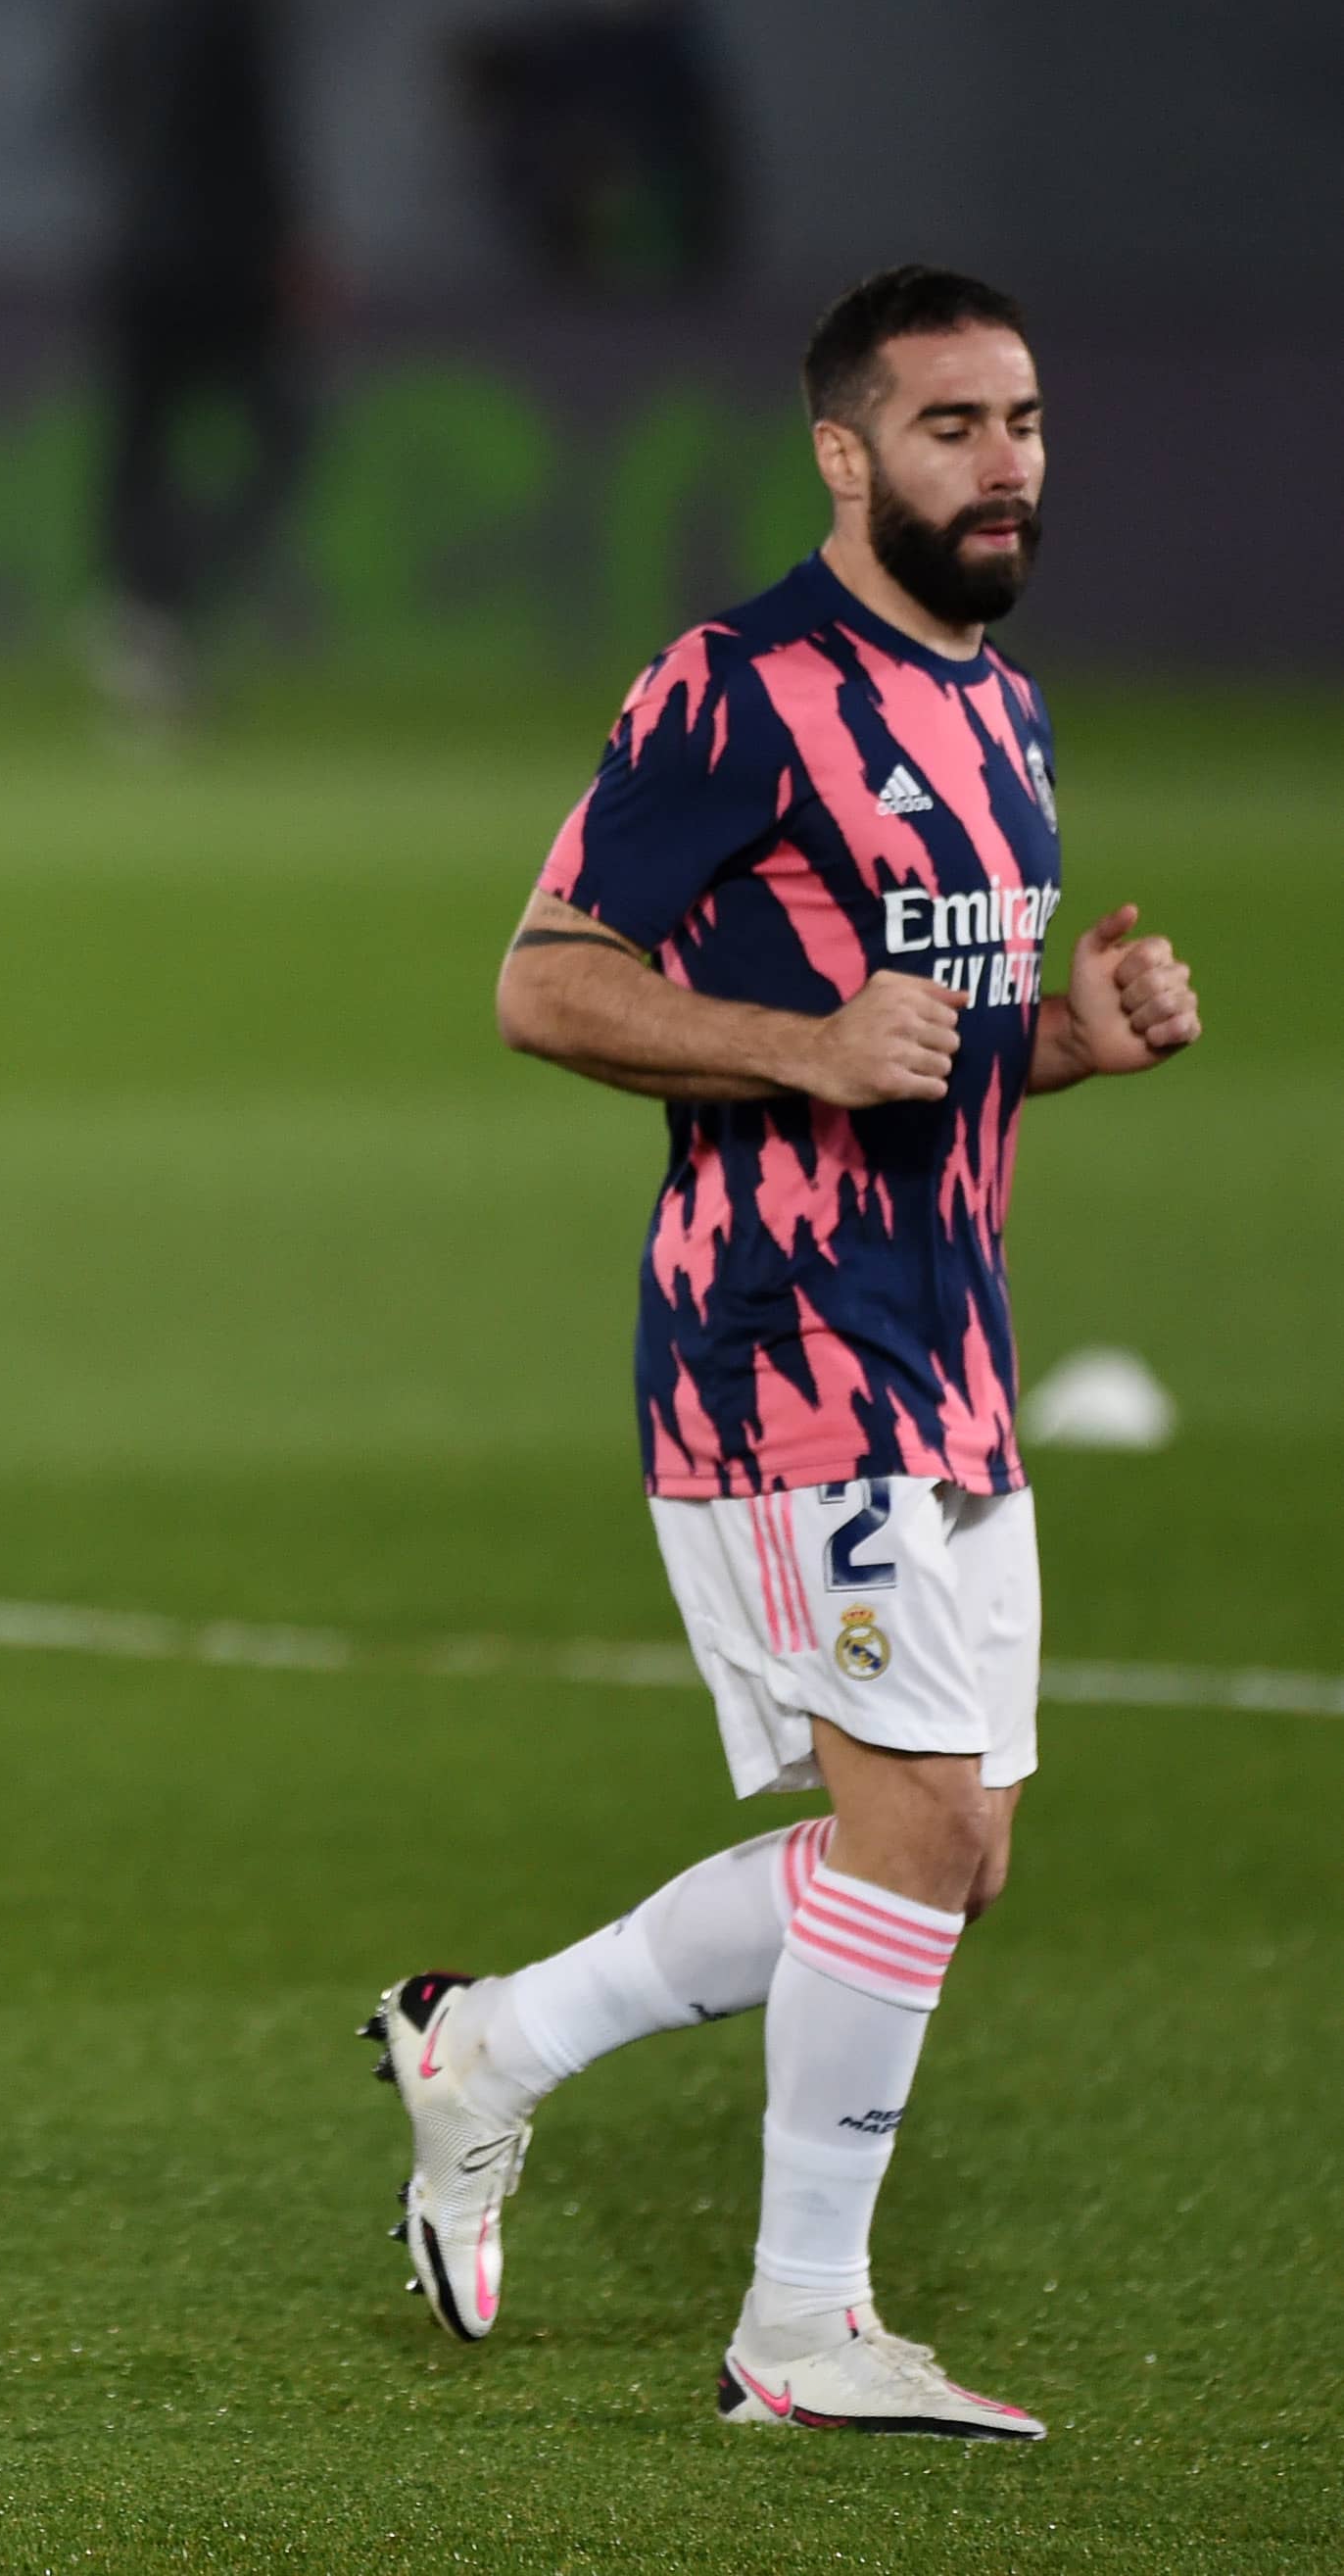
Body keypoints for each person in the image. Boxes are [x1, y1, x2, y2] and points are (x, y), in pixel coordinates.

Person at [368, 266, 1200, 2437]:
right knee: (913, 1830)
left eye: (1022, 419)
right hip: (776, 1348)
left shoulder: (1000, 710)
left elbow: (938, 1049)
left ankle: (495, 2043)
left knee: (950, 1851)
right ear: (843, 455)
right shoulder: (736, 688)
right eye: (950, 427)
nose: (1003, 461)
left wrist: (1067, 1047)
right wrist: (796, 1048)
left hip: (952, 1353)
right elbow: (545, 982)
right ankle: (802, 2332)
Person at [82, 0, 329, 728]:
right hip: (218, 257)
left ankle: (145, 619)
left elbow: (96, 98)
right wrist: (285, 240)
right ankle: (164, 611)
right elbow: (254, 128)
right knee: (279, 430)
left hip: (134, 249)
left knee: (142, 447)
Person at [453, 0, 741, 295]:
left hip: (674, 264)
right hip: (564, 272)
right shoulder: (558, 47)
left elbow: (706, 165)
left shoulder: (679, 51)